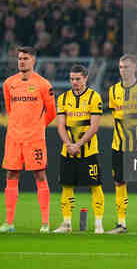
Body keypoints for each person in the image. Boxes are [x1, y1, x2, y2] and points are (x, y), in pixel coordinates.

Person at [0, 46, 56, 233]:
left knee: (40, 175)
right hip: (13, 137)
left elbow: (51, 112)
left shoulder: (44, 85)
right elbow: (9, 108)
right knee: (11, 175)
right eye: (20, 58)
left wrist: (36, 127)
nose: (22, 61)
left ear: (34, 61)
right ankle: (9, 223)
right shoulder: (9, 83)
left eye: (26, 58)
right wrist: (18, 127)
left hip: (34, 139)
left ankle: (45, 223)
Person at [107, 54, 137, 234]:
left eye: (126, 67)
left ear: (135, 68)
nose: (123, 70)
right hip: (118, 146)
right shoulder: (113, 91)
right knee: (119, 182)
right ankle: (121, 223)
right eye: (121, 67)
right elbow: (115, 117)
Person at [54, 65, 105, 234]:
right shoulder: (62, 98)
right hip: (67, 150)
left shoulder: (94, 97)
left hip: (88, 151)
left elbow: (94, 126)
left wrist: (78, 144)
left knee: (95, 186)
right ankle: (66, 223)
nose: (74, 82)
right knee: (67, 186)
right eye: (72, 79)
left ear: (85, 78)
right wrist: (69, 144)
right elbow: (60, 125)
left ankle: (98, 224)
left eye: (78, 79)